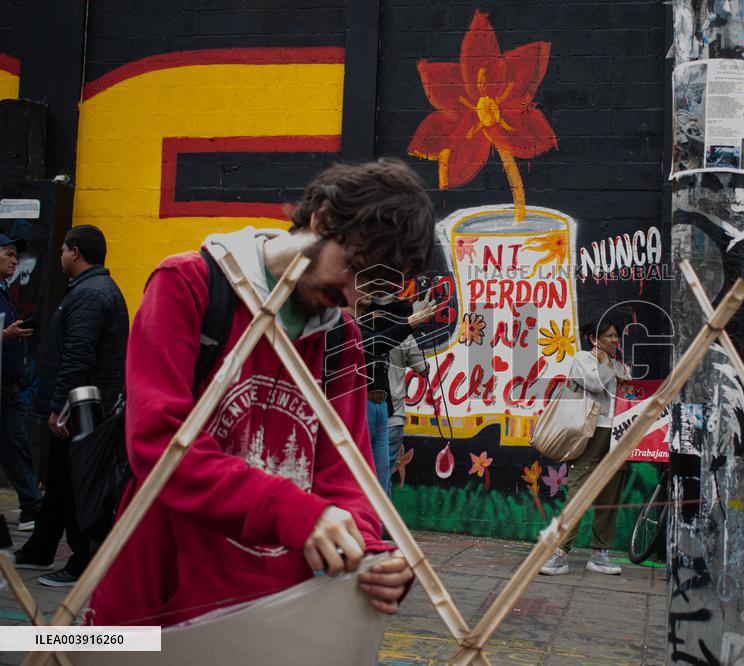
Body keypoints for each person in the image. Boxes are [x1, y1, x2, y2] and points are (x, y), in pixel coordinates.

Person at [87, 159, 435, 627]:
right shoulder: (189, 285)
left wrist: (370, 555)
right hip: (155, 606)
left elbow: (345, 471)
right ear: (322, 220)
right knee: (64, 652)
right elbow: (158, 443)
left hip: (269, 621)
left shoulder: (340, 337)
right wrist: (294, 512)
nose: (352, 295)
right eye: (353, 267)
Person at [14, 225, 129, 586]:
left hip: (82, 410)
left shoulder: (91, 295)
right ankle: (40, 549)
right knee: (61, 480)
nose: (61, 255)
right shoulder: (89, 290)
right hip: (82, 406)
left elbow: (79, 355)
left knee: (81, 486)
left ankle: (84, 562)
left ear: (75, 252)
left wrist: (60, 405)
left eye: (64, 249)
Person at [540, 318, 630, 576]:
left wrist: (615, 367)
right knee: (578, 491)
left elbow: (629, 393)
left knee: (610, 494)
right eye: (609, 335)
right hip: (591, 433)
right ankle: (560, 553)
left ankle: (600, 554)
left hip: (618, 434)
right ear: (593, 339)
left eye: (616, 336)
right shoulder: (583, 359)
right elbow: (594, 384)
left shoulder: (620, 365)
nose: (615, 340)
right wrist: (607, 364)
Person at [350, 294, 433, 497]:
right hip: (368, 409)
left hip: (384, 409)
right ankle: (373, 524)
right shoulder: (352, 328)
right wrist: (411, 321)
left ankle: (378, 525)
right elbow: (379, 343)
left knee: (380, 475)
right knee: (371, 476)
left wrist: (374, 301)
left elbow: (404, 311)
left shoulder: (379, 324)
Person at [0, 234, 43, 531]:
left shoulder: (4, 290)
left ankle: (31, 508)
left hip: (8, 385)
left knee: (16, 445)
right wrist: (5, 336)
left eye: (16, 255)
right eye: (8, 254)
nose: (15, 260)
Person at [387, 332, 428, 496]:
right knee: (384, 475)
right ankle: (381, 520)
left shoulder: (362, 329)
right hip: (394, 416)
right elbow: (423, 370)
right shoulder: (403, 335)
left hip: (365, 415)